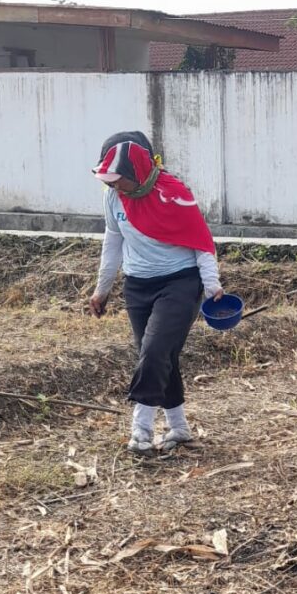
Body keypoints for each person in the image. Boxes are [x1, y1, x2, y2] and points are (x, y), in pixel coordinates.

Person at [88, 131, 224, 454]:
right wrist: (101, 290)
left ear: (139, 172)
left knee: (154, 350)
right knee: (160, 356)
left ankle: (141, 430)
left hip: (180, 283)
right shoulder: (113, 198)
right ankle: (178, 427)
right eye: (109, 181)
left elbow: (202, 243)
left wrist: (212, 285)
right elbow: (112, 243)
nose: (114, 187)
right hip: (137, 287)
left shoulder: (174, 195)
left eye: (119, 180)